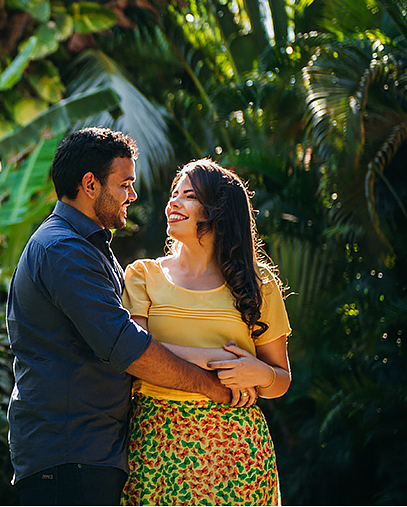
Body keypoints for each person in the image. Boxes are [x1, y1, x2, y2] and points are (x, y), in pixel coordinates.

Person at [7, 128, 240, 506]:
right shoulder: (64, 249)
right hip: (69, 456)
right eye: (125, 184)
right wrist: (211, 388)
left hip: (86, 453)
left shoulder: (88, 246)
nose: (132, 195)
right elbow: (125, 345)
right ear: (90, 185)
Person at [120, 159, 292, 505]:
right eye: (173, 194)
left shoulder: (258, 284)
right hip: (157, 439)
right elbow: (132, 352)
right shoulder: (143, 276)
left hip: (236, 448)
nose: (173, 203)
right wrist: (215, 361)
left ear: (216, 210)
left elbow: (281, 380)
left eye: (188, 196)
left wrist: (258, 372)